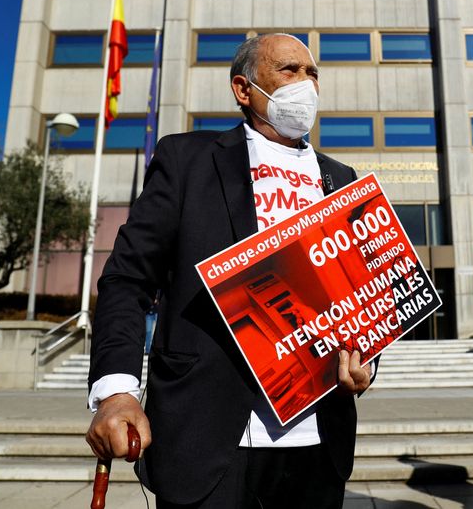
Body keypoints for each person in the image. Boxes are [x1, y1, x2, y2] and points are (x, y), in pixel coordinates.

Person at [85, 34, 372, 508]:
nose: (306, 84)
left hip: (316, 447)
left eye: (312, 73)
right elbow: (127, 281)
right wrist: (116, 392)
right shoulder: (187, 161)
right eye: (289, 70)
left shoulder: (343, 181)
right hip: (205, 438)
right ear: (244, 89)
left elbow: (363, 303)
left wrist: (366, 365)